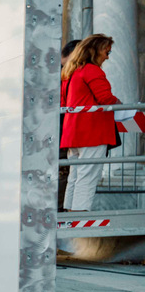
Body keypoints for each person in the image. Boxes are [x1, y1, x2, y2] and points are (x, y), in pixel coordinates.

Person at [60, 34, 120, 212]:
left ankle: (70, 213)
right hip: (92, 132)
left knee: (75, 176)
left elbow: (64, 104)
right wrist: (122, 105)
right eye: (106, 52)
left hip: (73, 132)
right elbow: (105, 98)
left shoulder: (70, 72)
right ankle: (79, 216)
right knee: (88, 176)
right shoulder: (92, 70)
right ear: (94, 50)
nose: (108, 57)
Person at [58, 39, 80, 210]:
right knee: (64, 173)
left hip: (63, 133)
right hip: (61, 133)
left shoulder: (61, 73)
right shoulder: (65, 74)